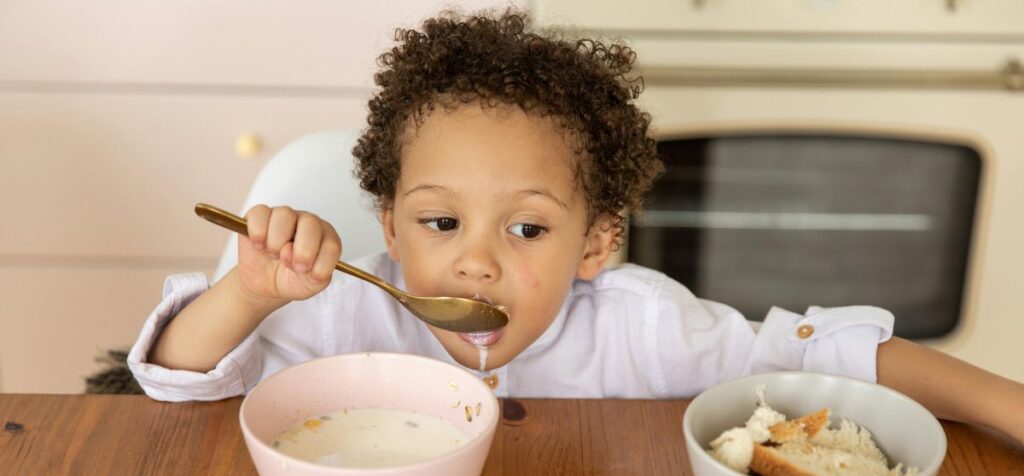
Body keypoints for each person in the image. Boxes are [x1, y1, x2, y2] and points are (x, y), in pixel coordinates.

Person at [128, 10, 1024, 446]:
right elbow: (172, 385)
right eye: (440, 221)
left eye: (527, 230)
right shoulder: (335, 315)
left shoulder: (644, 329)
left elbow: (831, 357)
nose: (474, 258)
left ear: (596, 243)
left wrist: (1005, 406)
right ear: (390, 229)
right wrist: (249, 291)